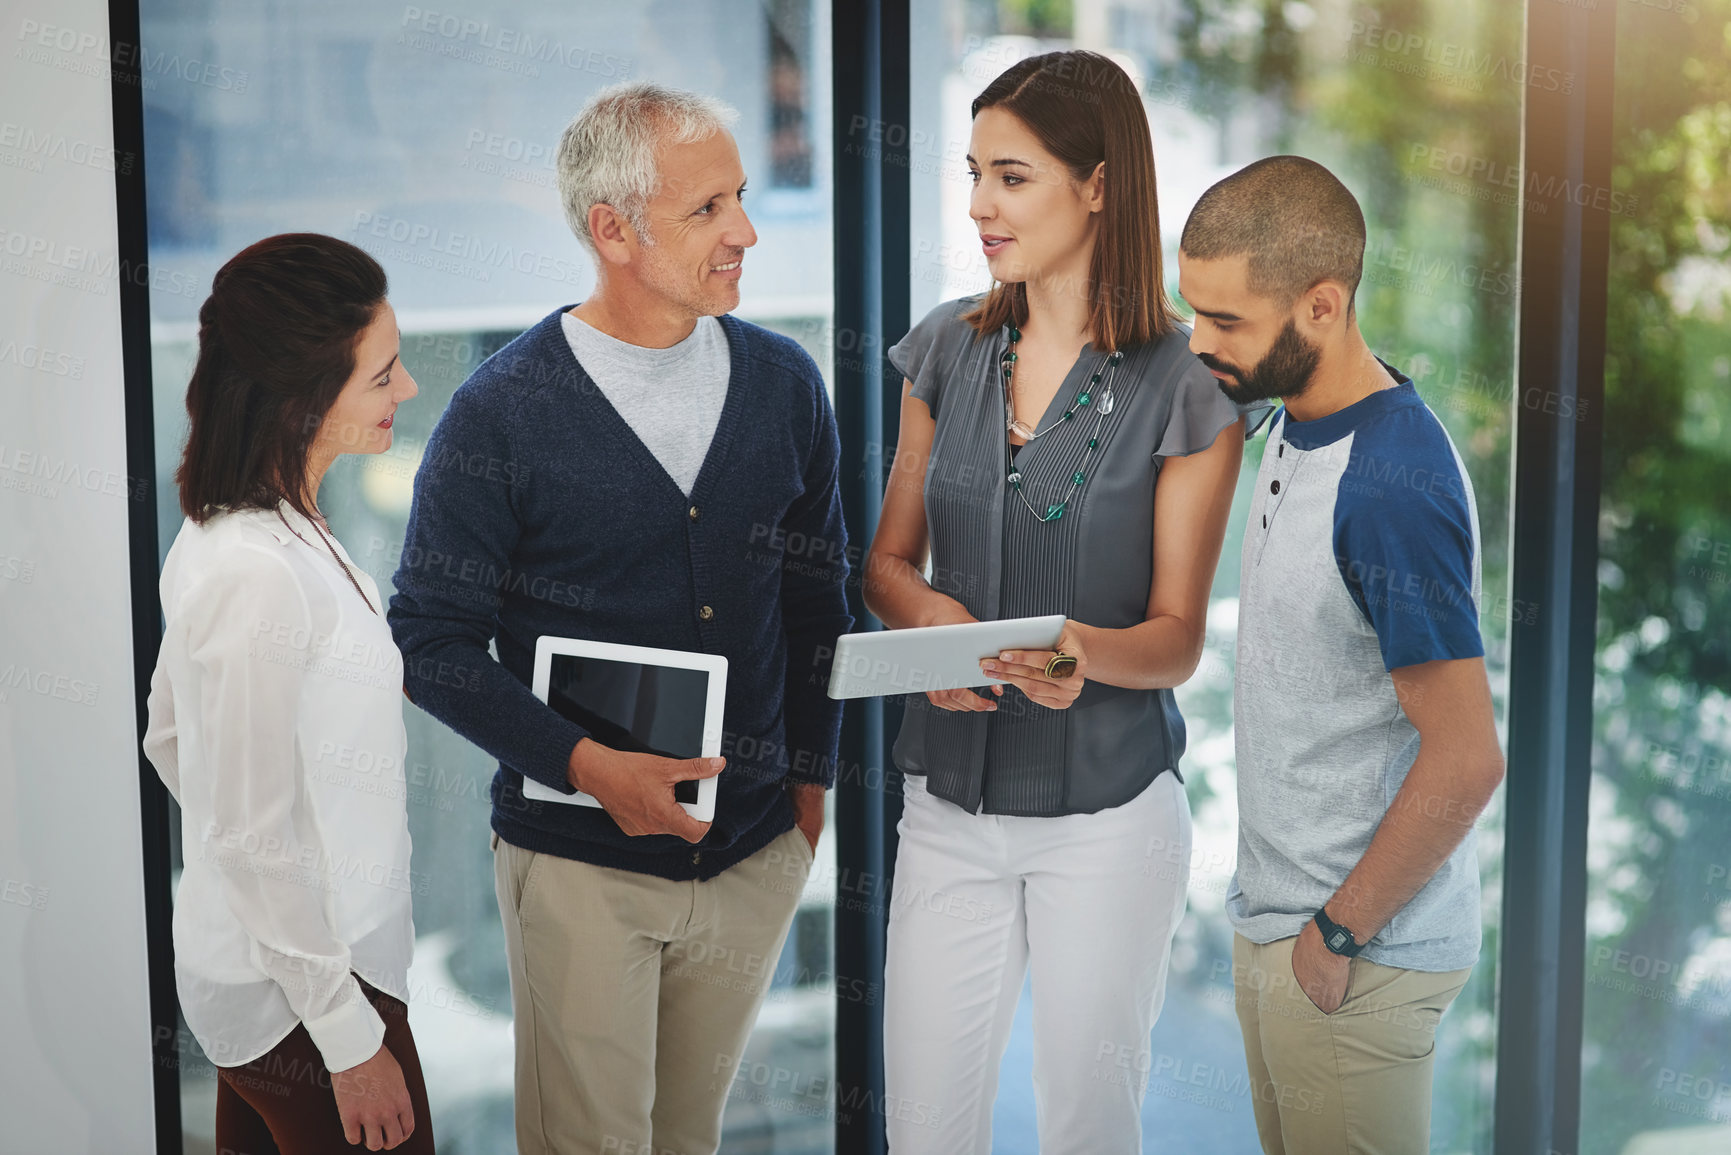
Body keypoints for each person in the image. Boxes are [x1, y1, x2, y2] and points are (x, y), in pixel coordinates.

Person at [386, 81, 851, 1155]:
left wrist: (809, 788)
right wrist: (593, 767)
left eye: (739, 197)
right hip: (581, 872)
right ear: (613, 229)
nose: (743, 232)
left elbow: (815, 600)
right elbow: (431, 640)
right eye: (706, 211)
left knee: (687, 1139)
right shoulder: (499, 414)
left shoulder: (785, 383)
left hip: (751, 854)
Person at [863, 51, 1269, 1155]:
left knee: (1088, 1127)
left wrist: (1079, 651)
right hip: (946, 811)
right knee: (925, 1131)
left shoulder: (1189, 388)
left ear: (1098, 186)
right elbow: (887, 565)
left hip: (1108, 821)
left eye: (1013, 177)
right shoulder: (946, 347)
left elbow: (1177, 638)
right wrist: (939, 636)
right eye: (974, 174)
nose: (980, 205)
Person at [1177, 156, 1506, 1155]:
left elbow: (1468, 757)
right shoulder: (1296, 417)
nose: (1200, 344)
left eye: (1225, 322)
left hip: (1354, 956)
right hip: (1282, 926)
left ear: (1323, 306)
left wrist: (1338, 934)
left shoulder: (1389, 487)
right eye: (1195, 311)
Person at [142, 233, 430, 1153]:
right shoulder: (251, 568)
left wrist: (263, 837)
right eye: (382, 375)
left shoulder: (260, 529)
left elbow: (169, 738)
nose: (408, 390)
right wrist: (347, 1032)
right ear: (305, 399)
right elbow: (245, 823)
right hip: (313, 1003)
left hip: (303, 975)